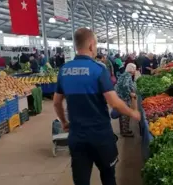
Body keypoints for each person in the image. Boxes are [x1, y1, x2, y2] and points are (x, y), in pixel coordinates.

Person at [53, 28, 141, 185]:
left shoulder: (64, 70)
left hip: (77, 137)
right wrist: (132, 112)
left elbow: (56, 102)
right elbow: (113, 102)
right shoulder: (98, 69)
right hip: (100, 136)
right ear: (91, 45)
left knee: (81, 180)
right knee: (108, 176)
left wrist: (64, 122)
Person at [115, 63, 137, 137]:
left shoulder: (124, 74)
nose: (135, 71)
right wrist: (130, 93)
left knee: (122, 115)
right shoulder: (127, 75)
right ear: (131, 69)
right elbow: (125, 86)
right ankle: (125, 131)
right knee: (125, 115)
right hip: (124, 98)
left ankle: (123, 130)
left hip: (120, 97)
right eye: (134, 69)